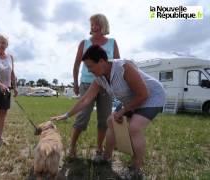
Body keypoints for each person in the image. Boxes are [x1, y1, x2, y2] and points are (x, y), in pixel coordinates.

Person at [51, 45, 166, 178]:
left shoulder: (123, 68)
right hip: (131, 100)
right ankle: (106, 157)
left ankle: (136, 168)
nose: (89, 71)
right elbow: (85, 100)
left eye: (90, 66)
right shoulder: (99, 78)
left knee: (134, 127)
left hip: (152, 96)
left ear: (102, 61)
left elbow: (143, 94)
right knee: (111, 121)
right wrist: (66, 115)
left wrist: (123, 111)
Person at [71, 13, 120, 161]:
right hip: (87, 83)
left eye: (97, 24)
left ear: (104, 25)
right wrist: (75, 82)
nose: (94, 27)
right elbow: (77, 64)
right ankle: (72, 147)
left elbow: (117, 64)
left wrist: (116, 85)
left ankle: (99, 149)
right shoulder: (84, 43)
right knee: (82, 116)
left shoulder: (112, 42)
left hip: (106, 85)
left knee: (104, 118)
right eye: (92, 24)